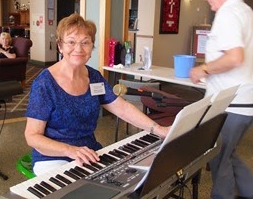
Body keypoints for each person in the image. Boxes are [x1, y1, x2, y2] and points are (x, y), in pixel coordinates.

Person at [25, 13, 170, 176]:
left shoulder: (94, 77)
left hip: (89, 152)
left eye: (85, 42)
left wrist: (158, 129)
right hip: (52, 157)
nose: (78, 49)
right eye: (71, 42)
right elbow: (32, 136)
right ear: (60, 46)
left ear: (92, 47)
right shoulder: (45, 83)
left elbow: (122, 108)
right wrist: (70, 151)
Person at [189, 0, 253, 198]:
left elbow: (235, 57)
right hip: (249, 100)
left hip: (232, 103)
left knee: (218, 157)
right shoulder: (247, 12)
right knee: (226, 153)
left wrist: (203, 69)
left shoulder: (227, 13)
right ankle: (252, 194)